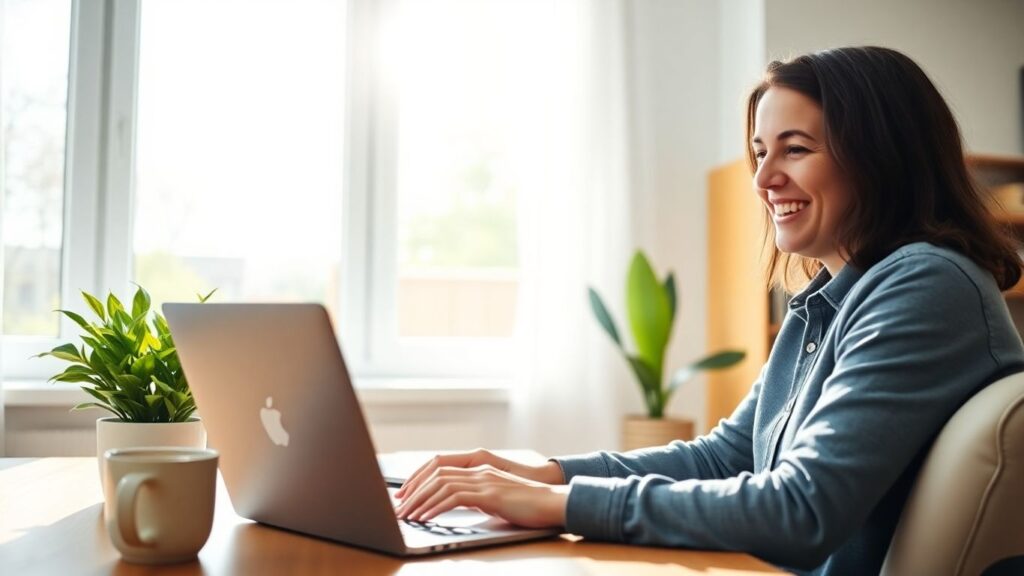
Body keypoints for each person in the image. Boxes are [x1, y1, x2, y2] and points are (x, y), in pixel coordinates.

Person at [393, 46, 1024, 575]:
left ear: (881, 157)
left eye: (796, 149)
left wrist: (558, 503)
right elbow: (726, 457)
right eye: (760, 153)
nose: (762, 179)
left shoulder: (925, 285)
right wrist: (543, 472)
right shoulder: (830, 302)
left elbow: (800, 509)